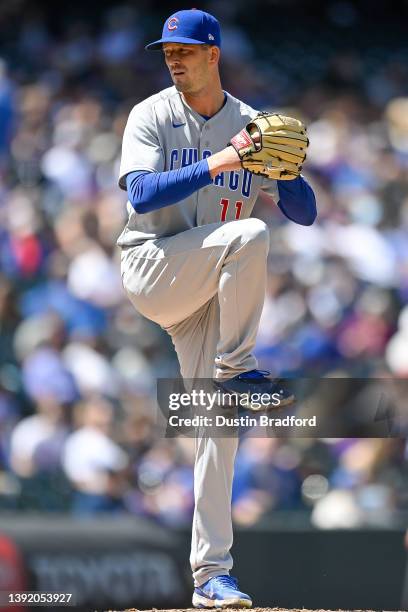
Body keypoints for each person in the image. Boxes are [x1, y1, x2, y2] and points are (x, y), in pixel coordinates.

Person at [118, 9, 316, 608]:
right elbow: (141, 192)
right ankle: (237, 368)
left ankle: (211, 577)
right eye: (166, 50)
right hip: (154, 265)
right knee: (249, 236)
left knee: (218, 427)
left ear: (213, 54)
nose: (173, 58)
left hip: (211, 291)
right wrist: (223, 163)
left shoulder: (253, 124)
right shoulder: (151, 114)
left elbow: (304, 212)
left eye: (184, 49)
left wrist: (289, 172)